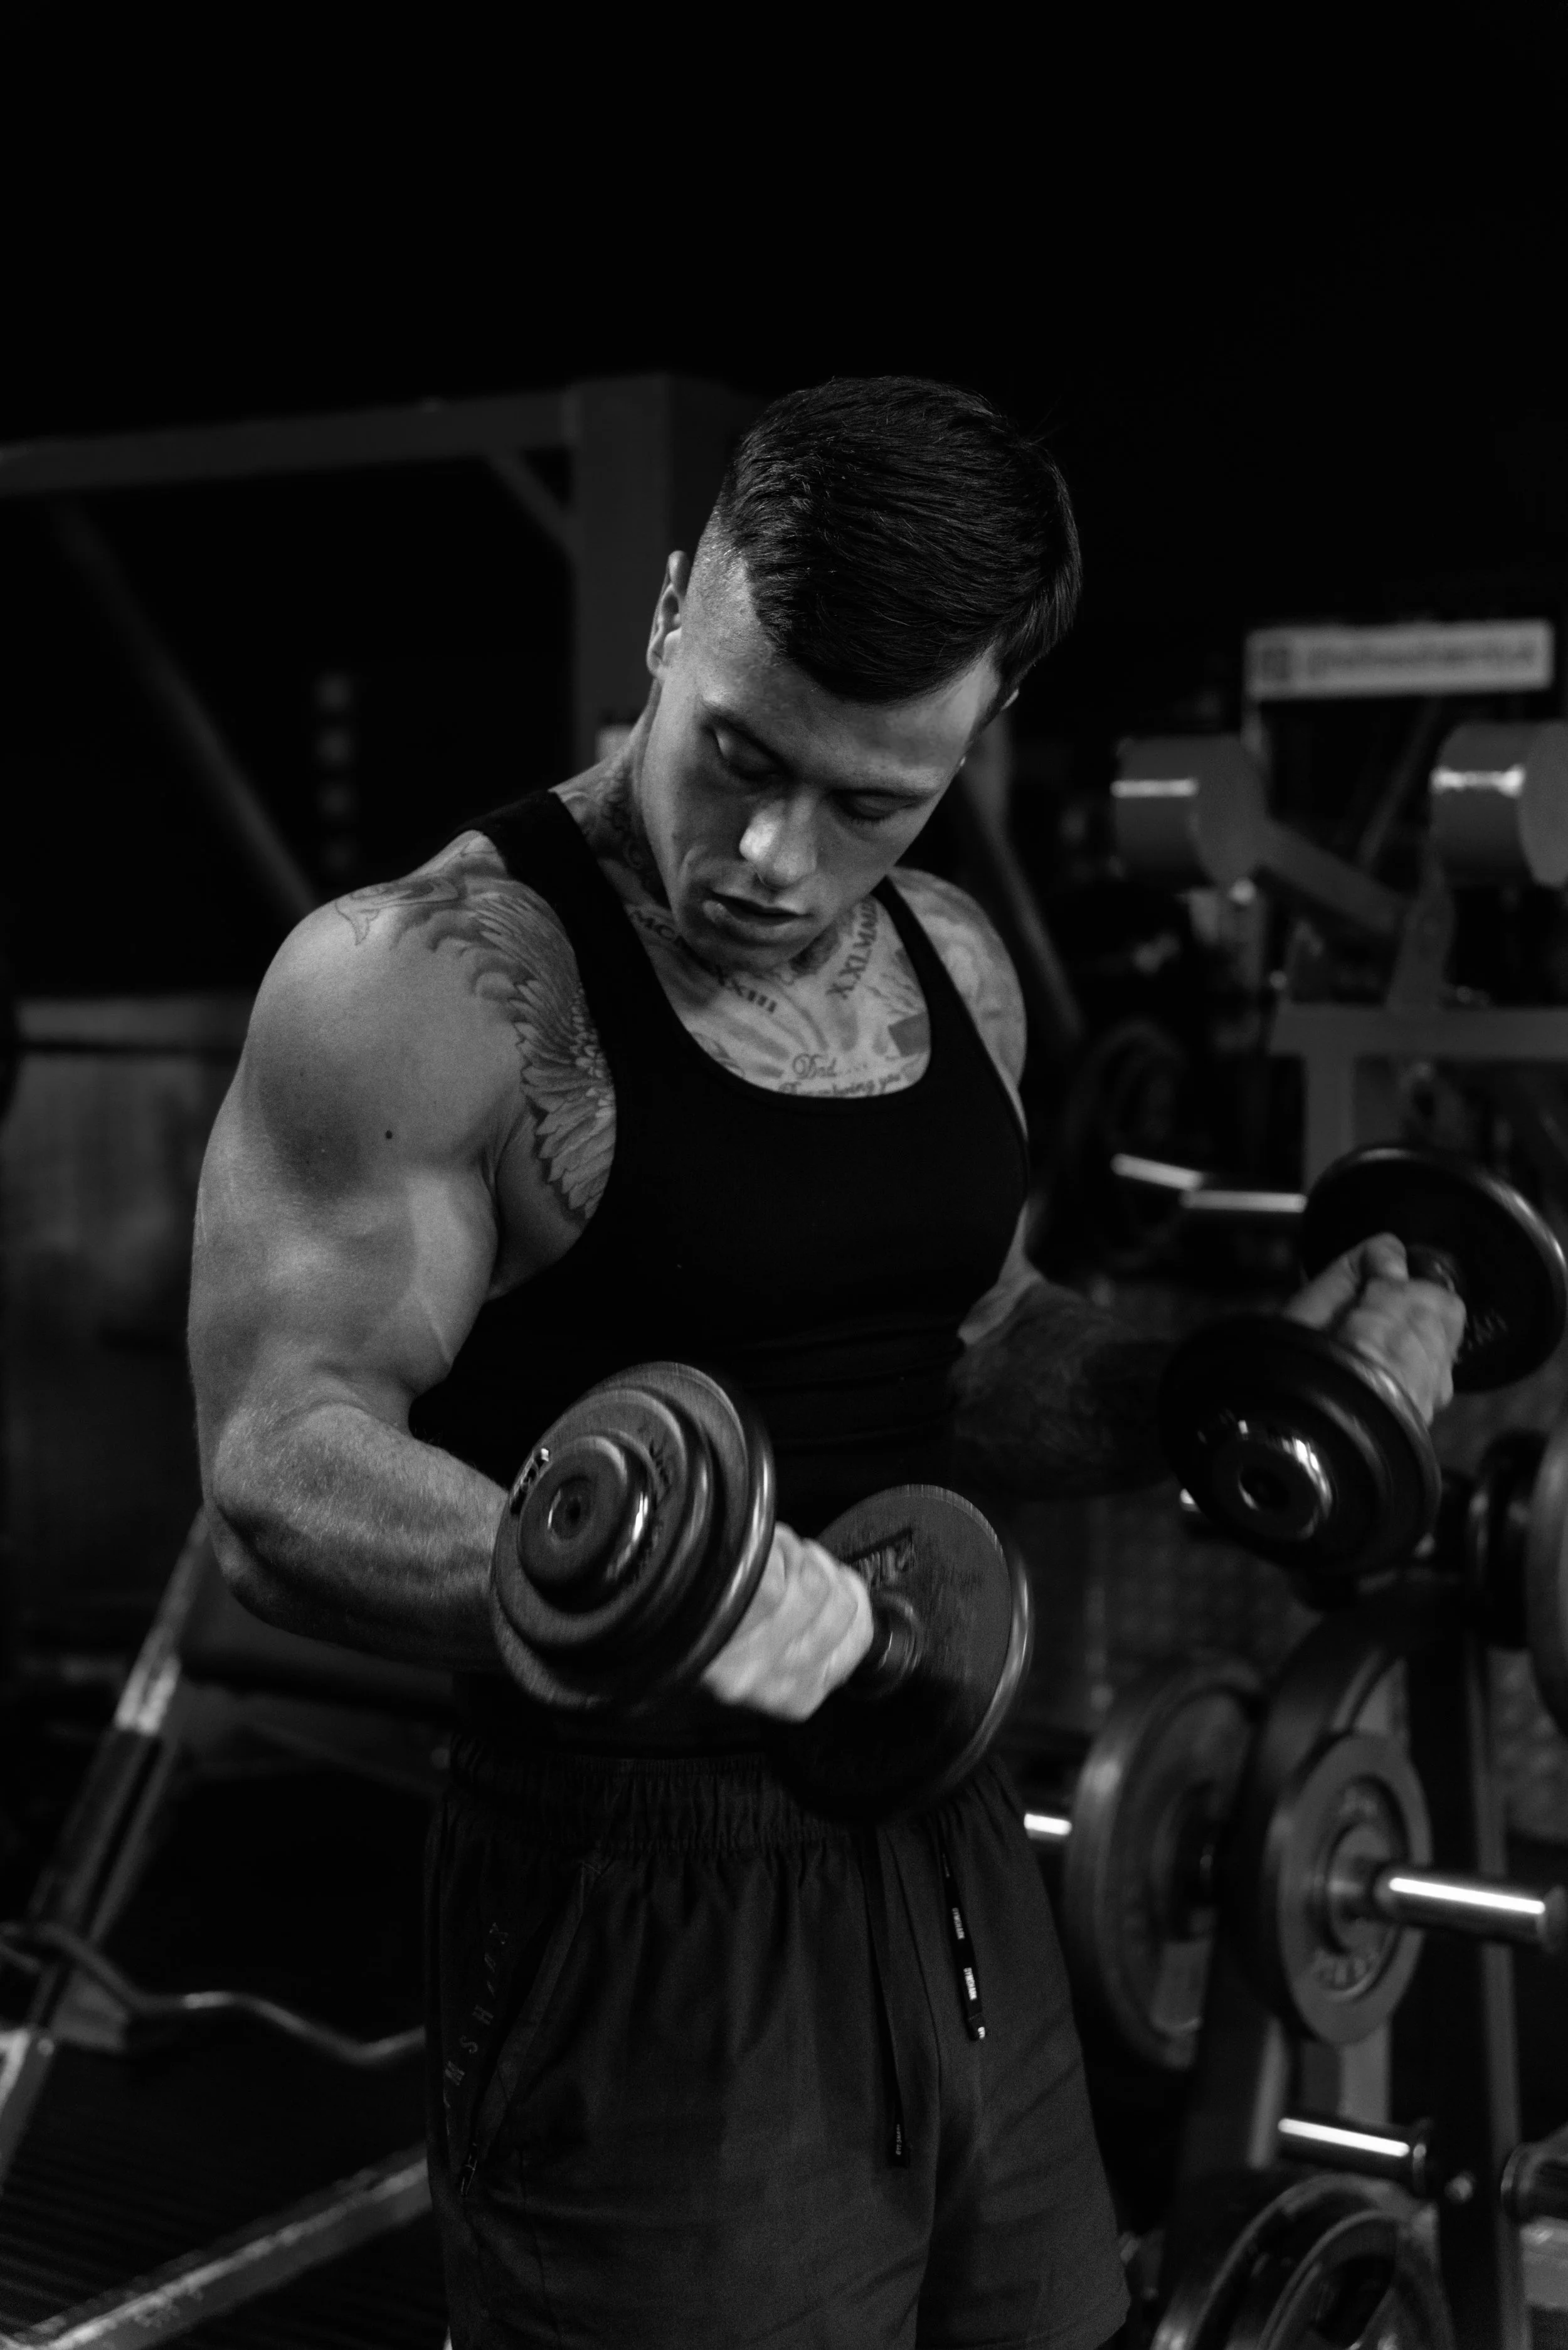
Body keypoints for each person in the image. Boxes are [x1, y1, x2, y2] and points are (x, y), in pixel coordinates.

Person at [188, 377, 1466, 2350]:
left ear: (978, 730)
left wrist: (1241, 1377)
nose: (775, 856)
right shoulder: (421, 983)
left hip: (953, 1854)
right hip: (635, 1901)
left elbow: (979, 1356)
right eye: (736, 754)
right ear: (673, 605)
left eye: (870, 801)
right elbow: (281, 1461)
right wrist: (663, 1589)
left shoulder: (952, 965)